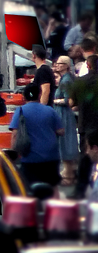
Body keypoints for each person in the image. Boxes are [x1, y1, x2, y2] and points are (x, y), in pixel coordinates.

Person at [9, 83, 65, 192]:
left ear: (24, 96)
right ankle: (55, 208)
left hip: (29, 157)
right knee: (53, 187)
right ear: (39, 95)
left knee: (27, 188)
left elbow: (15, 133)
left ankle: (33, 208)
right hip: (51, 156)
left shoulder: (20, 111)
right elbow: (61, 131)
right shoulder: (50, 110)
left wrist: (13, 153)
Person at [71, 55, 98, 198]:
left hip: (86, 125)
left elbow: (72, 103)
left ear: (88, 66)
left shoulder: (80, 82)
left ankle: (80, 192)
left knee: (85, 159)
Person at [52, 55, 79, 185]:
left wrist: (55, 101)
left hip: (64, 114)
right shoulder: (64, 79)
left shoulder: (66, 80)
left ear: (66, 66)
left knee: (65, 141)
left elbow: (68, 100)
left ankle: (69, 174)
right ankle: (69, 170)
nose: (57, 65)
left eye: (59, 63)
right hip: (62, 114)